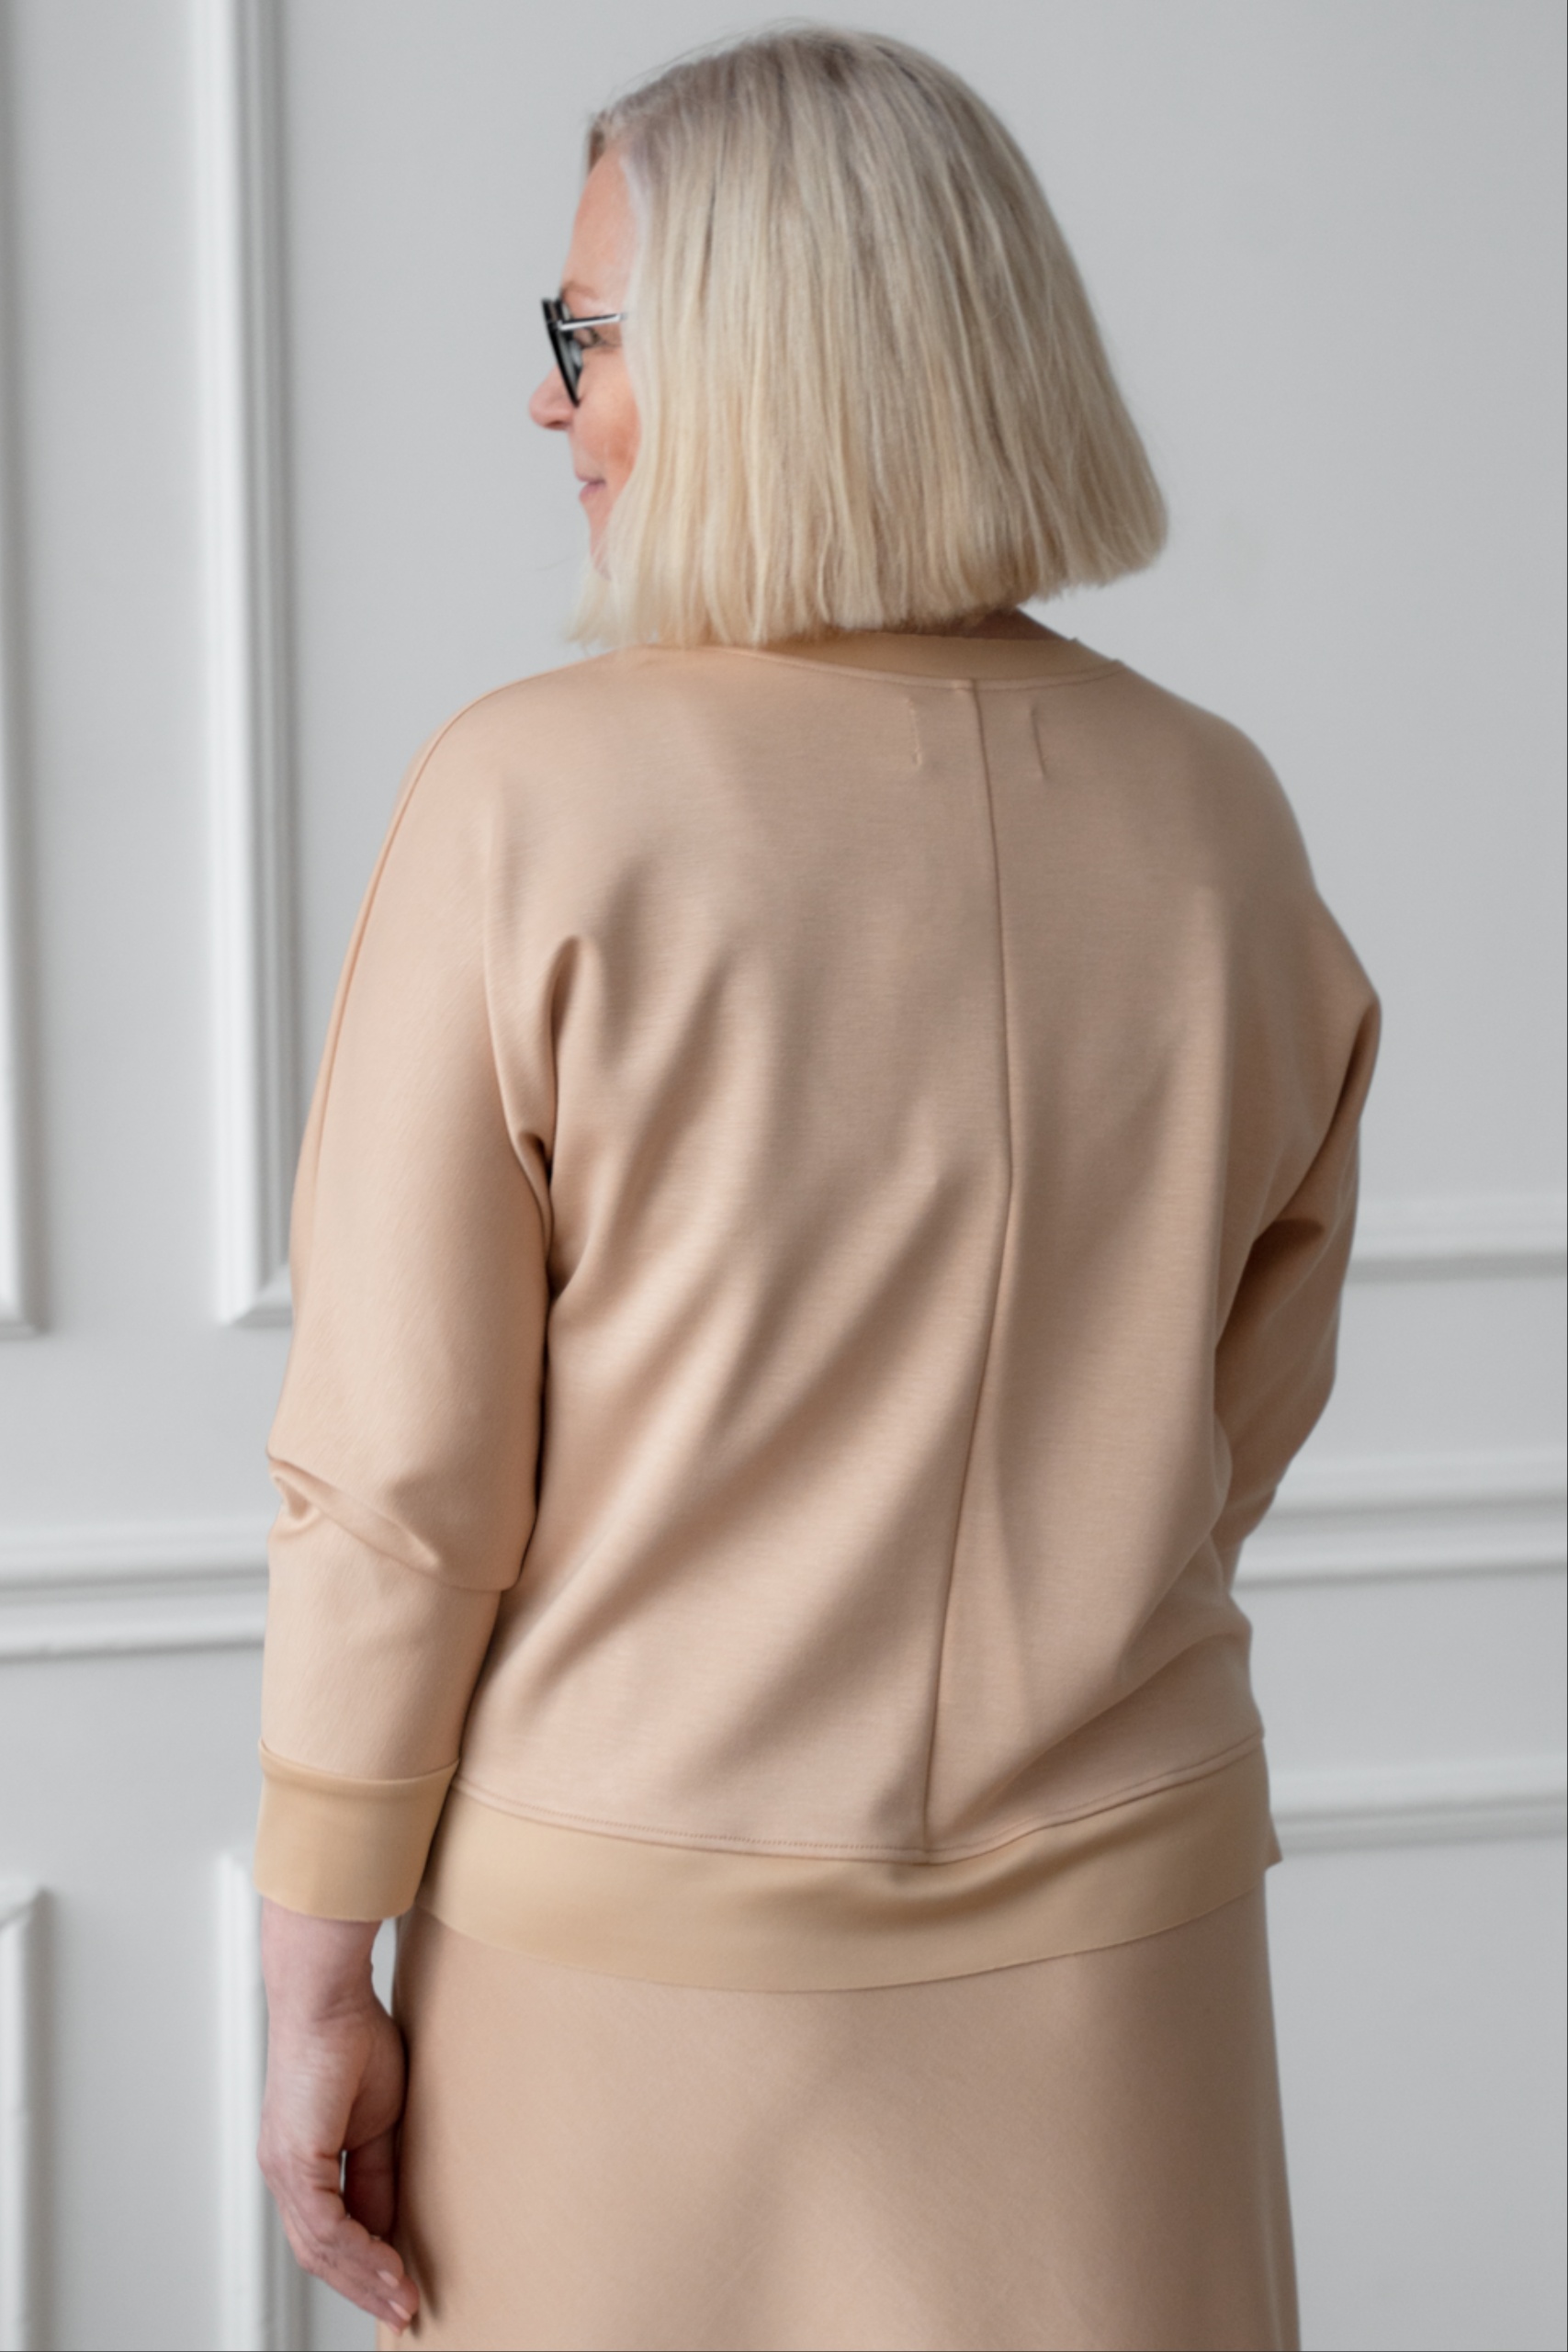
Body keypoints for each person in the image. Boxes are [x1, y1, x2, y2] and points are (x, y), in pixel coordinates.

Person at [253, 27, 1379, 2352]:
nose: (548, 399)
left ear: (764, 356)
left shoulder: (527, 801)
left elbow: (400, 1479)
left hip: (621, 1974)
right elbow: (1234, 1402)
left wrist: (313, 1972)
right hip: (1118, 1936)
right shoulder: (1214, 813)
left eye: (585, 333)